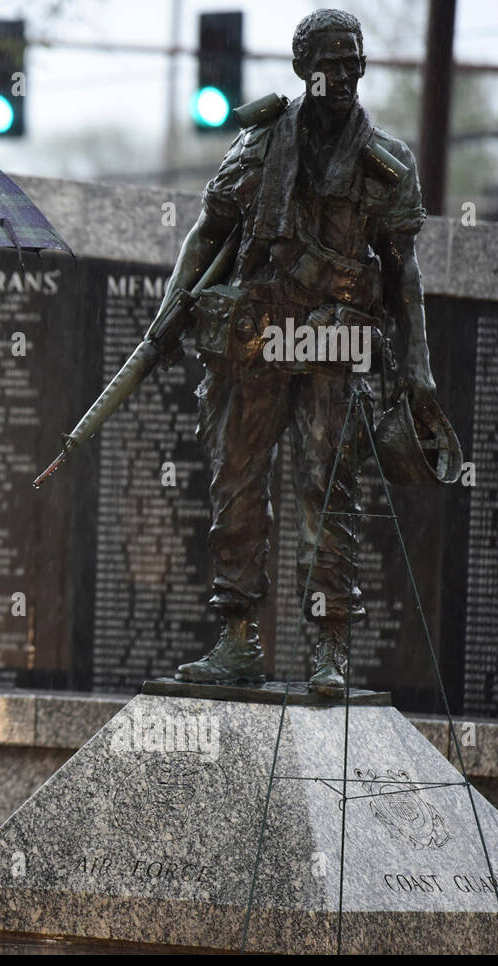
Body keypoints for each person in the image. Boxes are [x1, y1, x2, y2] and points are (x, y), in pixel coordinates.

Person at [149, 9, 435, 696]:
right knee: (237, 484)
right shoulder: (260, 143)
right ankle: (237, 639)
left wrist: (418, 364)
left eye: (351, 62)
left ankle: (329, 647)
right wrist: (167, 318)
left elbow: (403, 272)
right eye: (327, 63)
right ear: (304, 68)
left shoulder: (385, 164)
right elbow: (207, 233)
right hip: (256, 341)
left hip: (333, 346)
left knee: (328, 493)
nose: (341, 76)